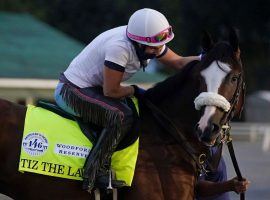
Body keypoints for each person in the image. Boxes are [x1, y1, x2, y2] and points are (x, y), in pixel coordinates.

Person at [54, 8, 199, 192]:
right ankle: (94, 172)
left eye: (160, 45)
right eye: (153, 47)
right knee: (122, 116)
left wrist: (208, 59)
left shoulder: (149, 38)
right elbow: (112, 90)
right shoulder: (120, 47)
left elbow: (179, 63)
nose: (157, 51)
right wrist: (136, 90)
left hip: (93, 89)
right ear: (139, 43)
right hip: (71, 91)